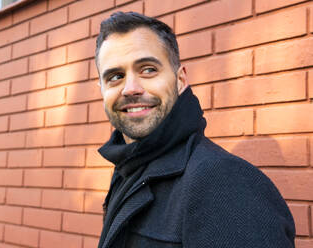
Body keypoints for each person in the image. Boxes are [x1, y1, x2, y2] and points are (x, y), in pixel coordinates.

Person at [95, 12, 295, 248]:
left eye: (148, 69)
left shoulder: (224, 184)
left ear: (180, 80)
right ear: (101, 89)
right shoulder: (128, 169)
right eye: (115, 76)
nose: (131, 89)